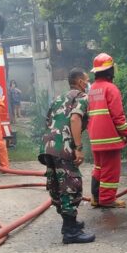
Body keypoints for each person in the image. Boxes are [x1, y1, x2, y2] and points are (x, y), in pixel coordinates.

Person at [41, 68, 95, 244]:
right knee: (71, 184)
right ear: (80, 82)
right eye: (87, 80)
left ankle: (69, 224)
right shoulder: (81, 97)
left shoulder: (58, 98)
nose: (88, 83)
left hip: (49, 146)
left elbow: (48, 120)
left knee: (57, 184)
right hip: (64, 147)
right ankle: (70, 232)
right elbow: (75, 119)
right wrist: (78, 147)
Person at [87, 53, 127, 209]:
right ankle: (106, 199)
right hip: (109, 138)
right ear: (110, 70)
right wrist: (126, 132)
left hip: (95, 138)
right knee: (111, 170)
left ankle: (95, 198)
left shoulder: (92, 89)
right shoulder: (111, 89)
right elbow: (118, 116)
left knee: (99, 167)